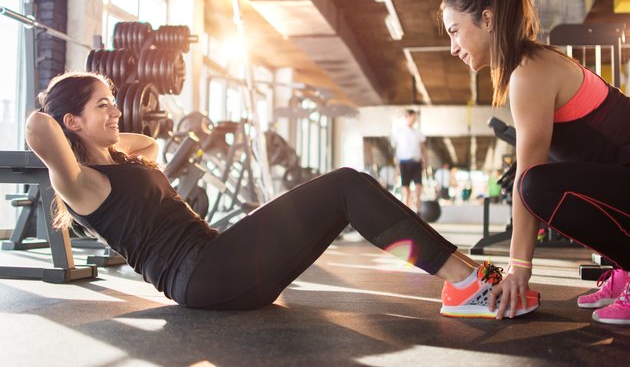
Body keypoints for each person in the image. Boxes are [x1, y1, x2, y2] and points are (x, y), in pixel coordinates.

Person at [25, 71, 539, 317]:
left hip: (215, 267)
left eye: (115, 101)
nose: (116, 110)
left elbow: (150, 141)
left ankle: (472, 279)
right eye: (102, 105)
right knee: (344, 184)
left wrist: (98, 124)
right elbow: (36, 126)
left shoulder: (118, 161)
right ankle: (470, 282)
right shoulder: (78, 182)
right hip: (204, 276)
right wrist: (62, 110)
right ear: (70, 121)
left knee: (345, 194)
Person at [441, 0, 630, 323]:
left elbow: (530, 177)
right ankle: (625, 264)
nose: (452, 47)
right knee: (539, 180)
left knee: (535, 185)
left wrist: (518, 269)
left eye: (453, 31)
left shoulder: (530, 72)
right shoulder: (526, 68)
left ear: (487, 19)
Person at [391, 109, 427, 213]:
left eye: (416, 118)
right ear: (407, 117)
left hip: (416, 162)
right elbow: (397, 149)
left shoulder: (418, 133)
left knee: (418, 188)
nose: (414, 120)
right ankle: (407, 211)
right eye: (413, 117)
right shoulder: (399, 131)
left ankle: (418, 210)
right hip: (404, 163)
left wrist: (425, 162)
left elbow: (423, 148)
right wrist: (397, 168)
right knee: (406, 189)